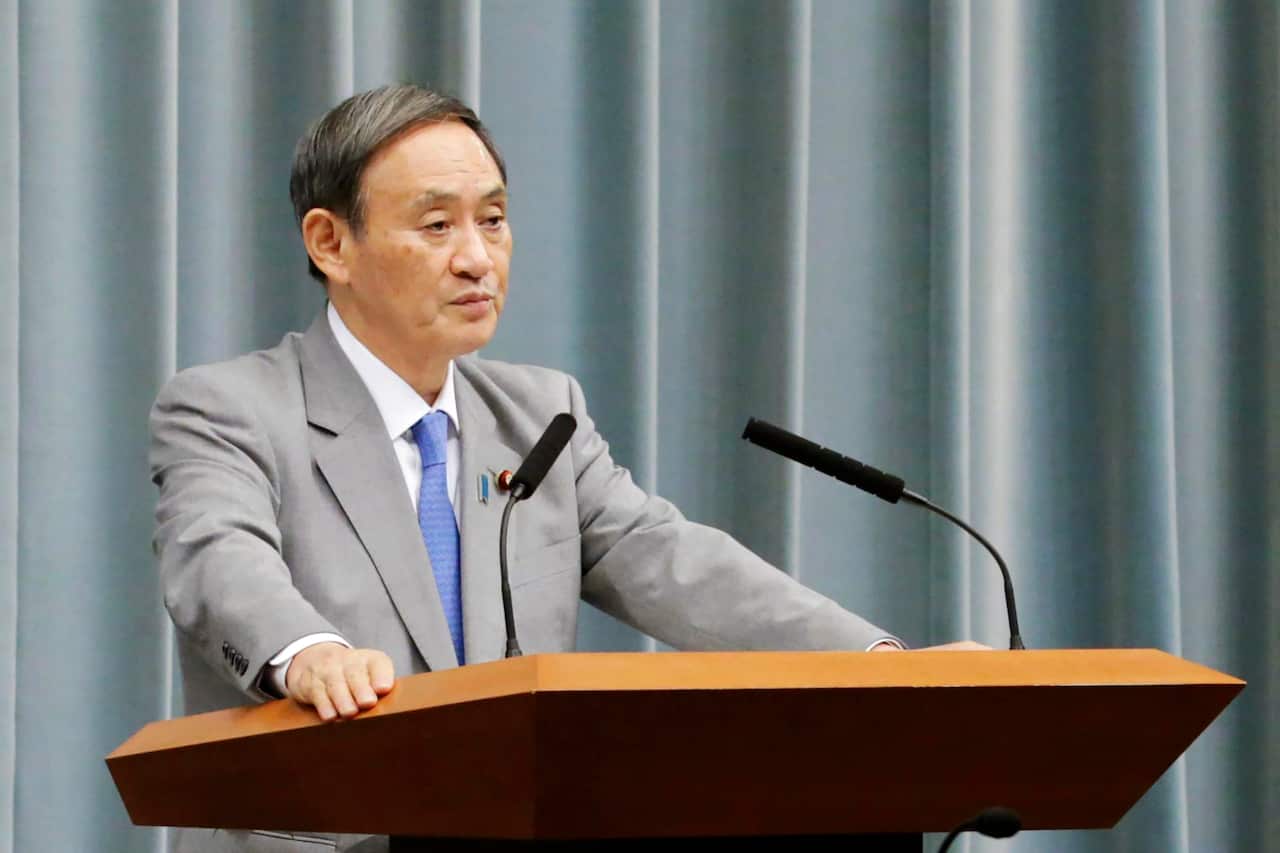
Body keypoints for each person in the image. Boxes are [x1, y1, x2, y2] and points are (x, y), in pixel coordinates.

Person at [149, 84, 979, 852]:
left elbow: (670, 560)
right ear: (332, 242)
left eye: (495, 219)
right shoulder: (229, 408)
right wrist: (307, 652)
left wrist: (879, 667)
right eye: (437, 226)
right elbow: (219, 559)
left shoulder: (539, 417)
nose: (478, 257)